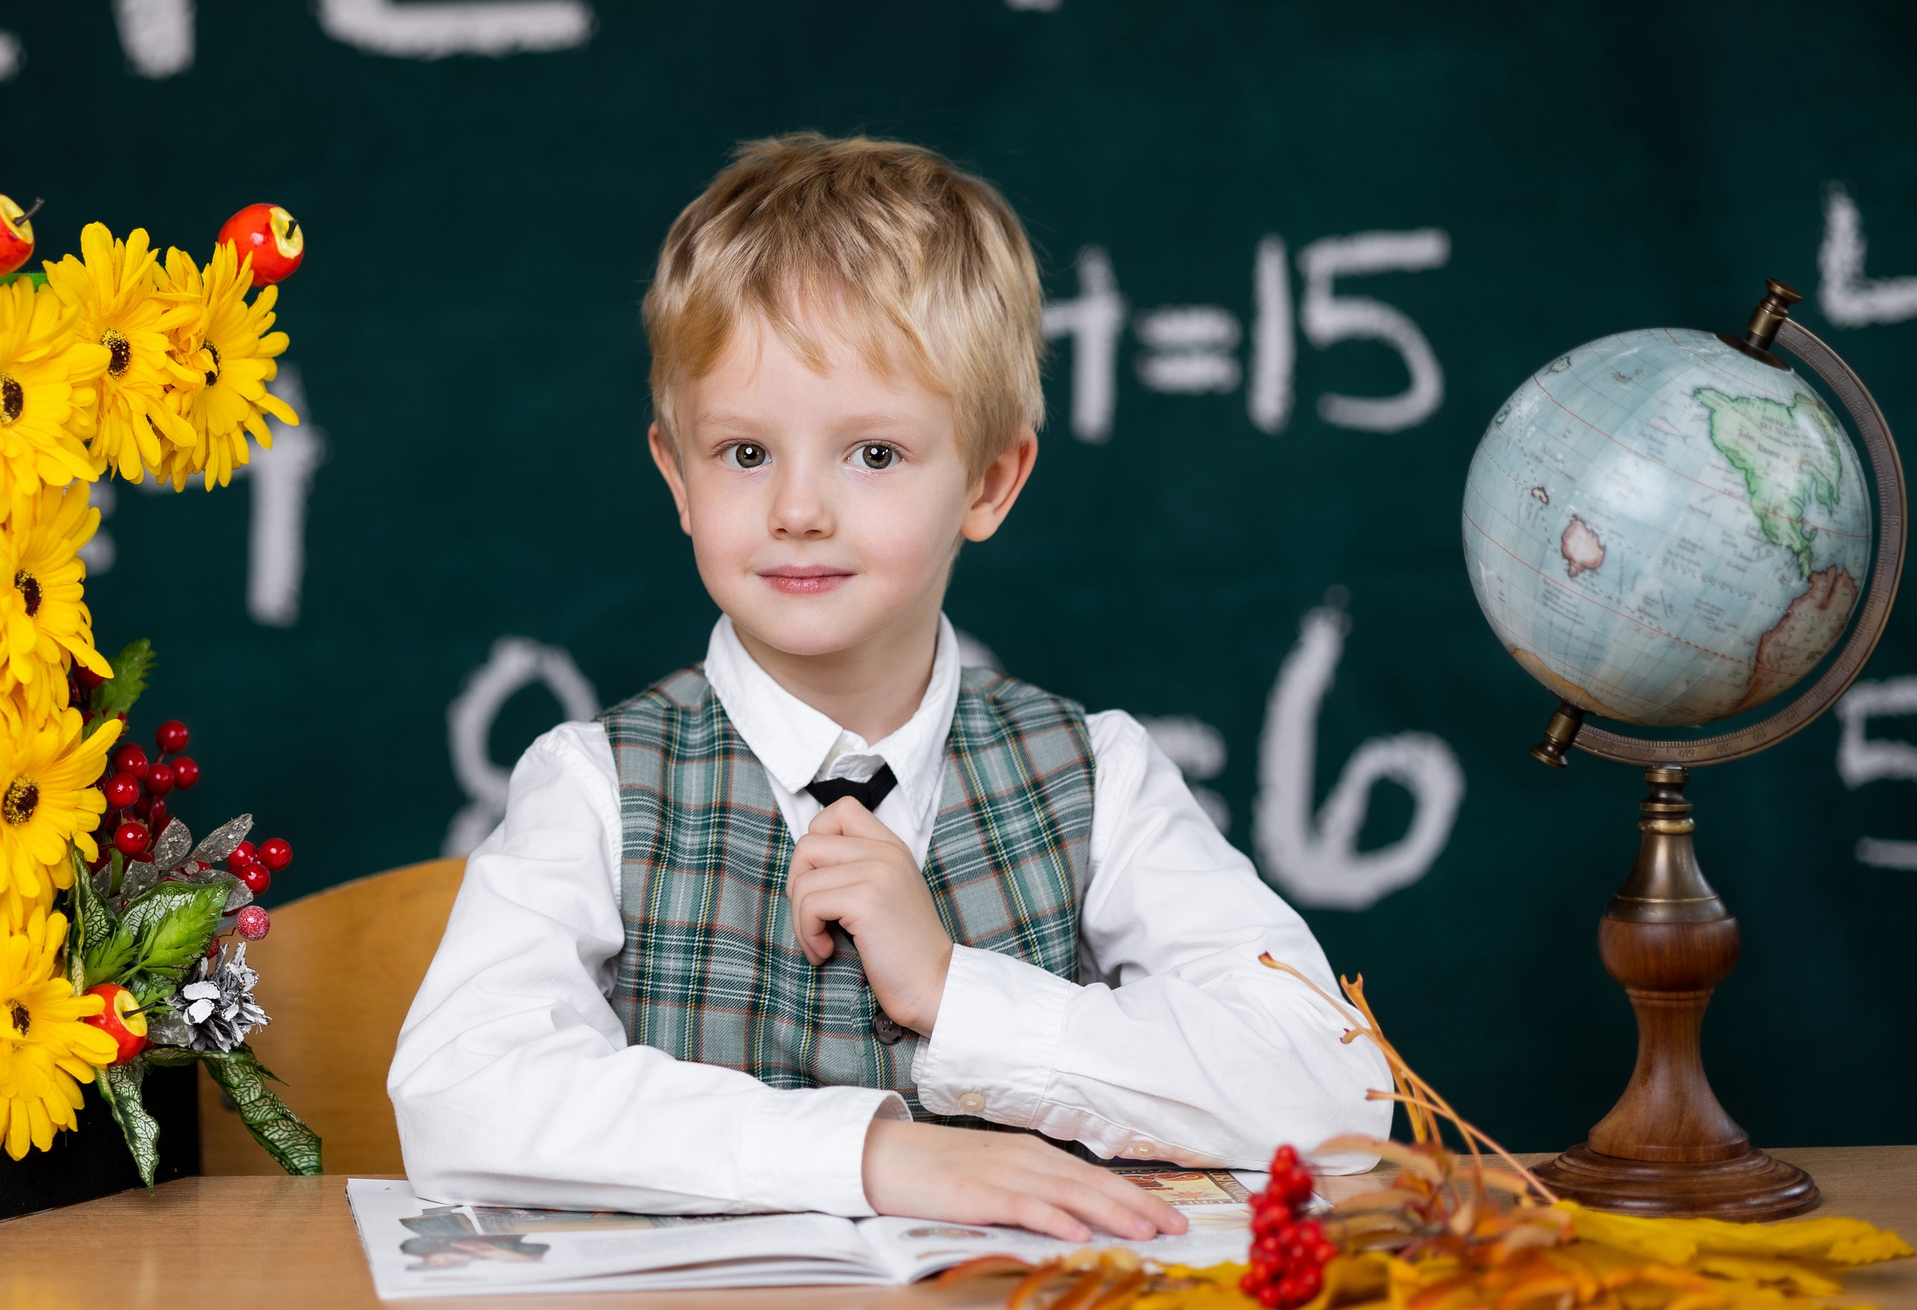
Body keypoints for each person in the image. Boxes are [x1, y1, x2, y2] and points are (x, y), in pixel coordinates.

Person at [389, 134, 1388, 1241]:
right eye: (743, 452)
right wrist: (872, 1151)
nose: (798, 509)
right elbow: (457, 1090)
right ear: (675, 473)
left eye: (871, 454)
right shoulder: (591, 783)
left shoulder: (1094, 775)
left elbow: (1333, 1087)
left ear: (990, 479)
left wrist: (957, 991)